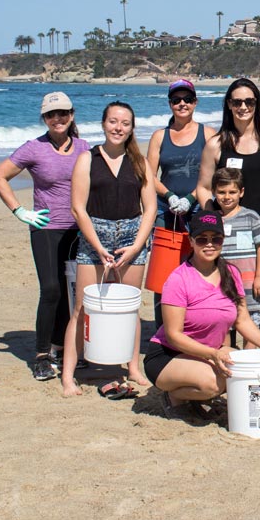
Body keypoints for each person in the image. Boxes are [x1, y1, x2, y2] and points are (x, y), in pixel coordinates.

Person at [0, 91, 91, 381]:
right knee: (50, 289)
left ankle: (62, 347)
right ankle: (41, 354)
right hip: (45, 228)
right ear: (44, 118)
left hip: (77, 229)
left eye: (62, 113)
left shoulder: (84, 148)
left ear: (71, 115)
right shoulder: (33, 148)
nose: (57, 119)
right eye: (50, 114)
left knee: (71, 292)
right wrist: (19, 211)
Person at [144, 211, 260, 420]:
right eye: (202, 239)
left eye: (215, 238)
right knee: (214, 383)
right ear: (191, 241)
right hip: (167, 354)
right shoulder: (178, 279)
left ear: (222, 240)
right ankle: (173, 396)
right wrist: (212, 354)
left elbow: (242, 320)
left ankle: (195, 393)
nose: (209, 244)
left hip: (206, 351)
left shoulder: (231, 273)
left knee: (244, 368)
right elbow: (173, 335)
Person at [61, 101, 155, 397]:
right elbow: (78, 208)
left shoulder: (139, 162)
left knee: (130, 309)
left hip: (131, 238)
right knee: (81, 309)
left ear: (131, 128)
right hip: (94, 239)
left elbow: (150, 208)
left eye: (125, 123)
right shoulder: (87, 159)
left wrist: (137, 245)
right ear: (103, 124)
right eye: (113, 121)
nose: (118, 128)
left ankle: (133, 368)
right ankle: (67, 376)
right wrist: (99, 246)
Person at [196, 78, 260, 283]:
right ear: (229, 105)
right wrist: (214, 219)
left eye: (249, 102)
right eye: (237, 102)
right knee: (231, 301)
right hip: (228, 241)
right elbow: (203, 188)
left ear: (257, 104)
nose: (243, 107)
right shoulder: (216, 144)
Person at [146, 79, 217, 326]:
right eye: (177, 100)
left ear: (195, 102)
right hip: (166, 212)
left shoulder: (207, 134)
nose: (182, 104)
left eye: (187, 99)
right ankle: (163, 328)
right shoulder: (159, 137)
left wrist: (190, 198)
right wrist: (170, 197)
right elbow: (149, 176)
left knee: (199, 267)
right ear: (170, 104)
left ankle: (194, 323)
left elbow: (212, 176)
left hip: (198, 210)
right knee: (164, 272)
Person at [208, 167, 260, 333]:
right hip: (222, 285)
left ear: (241, 192)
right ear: (213, 192)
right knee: (224, 328)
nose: (227, 197)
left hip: (249, 285)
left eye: (232, 192)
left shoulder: (252, 217)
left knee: (252, 326)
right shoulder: (212, 220)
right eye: (221, 192)